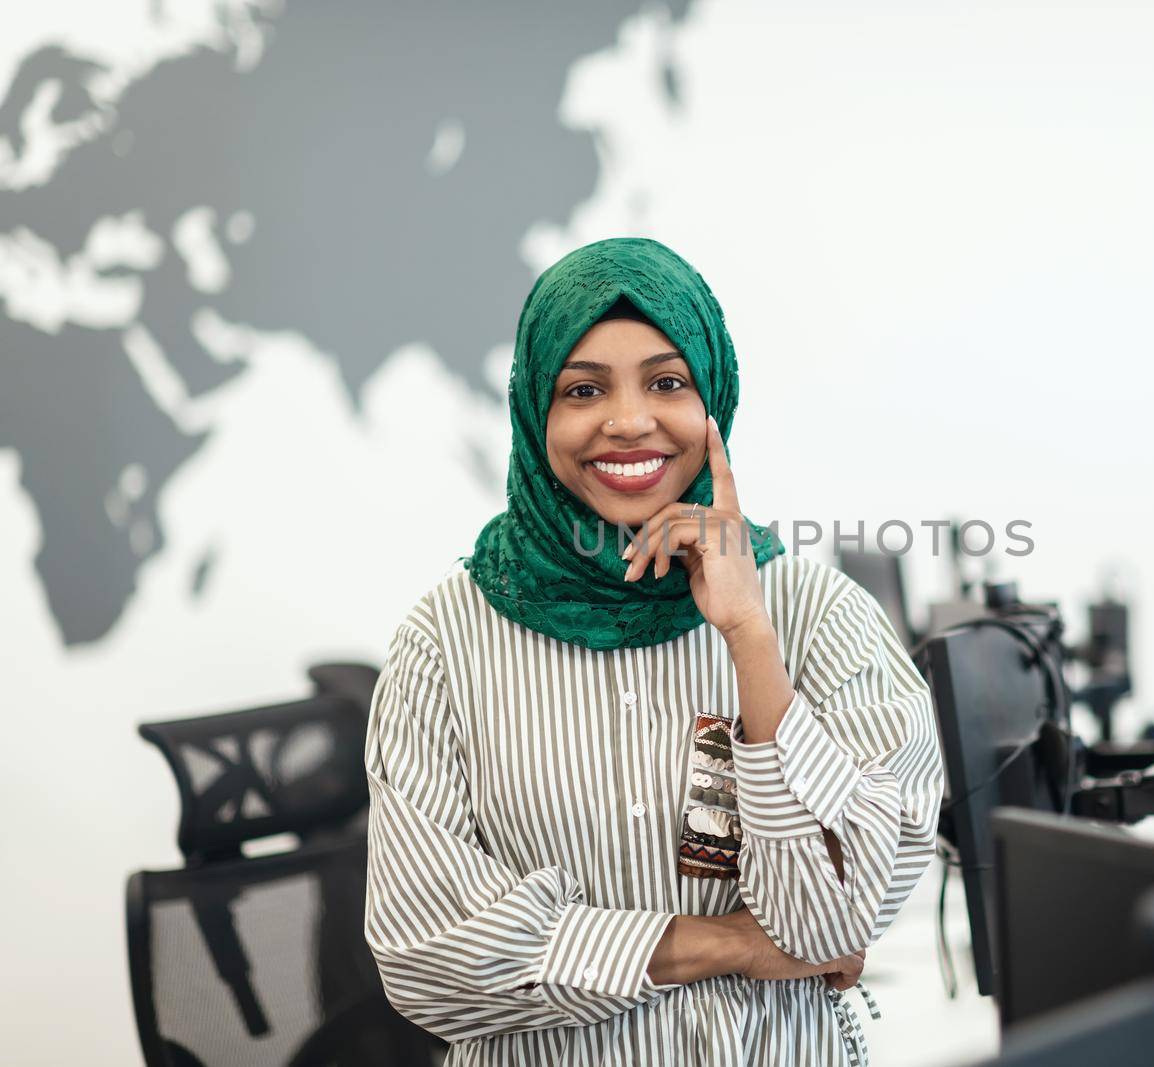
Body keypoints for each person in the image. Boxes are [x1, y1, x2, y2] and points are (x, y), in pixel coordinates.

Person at [363, 236, 944, 1066]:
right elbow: (429, 960)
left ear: (714, 396)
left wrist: (750, 639)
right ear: (535, 410)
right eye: (583, 388)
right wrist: (729, 943)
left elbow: (832, 923)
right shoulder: (445, 644)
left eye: (667, 382)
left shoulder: (820, 618)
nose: (629, 420)